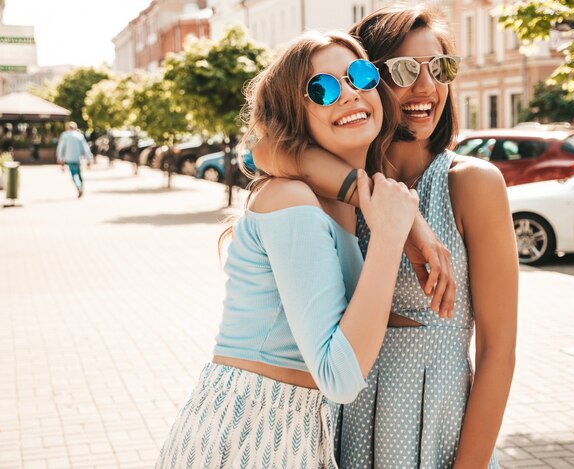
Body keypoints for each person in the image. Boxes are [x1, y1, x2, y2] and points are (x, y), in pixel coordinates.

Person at [254, 4, 518, 468]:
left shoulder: (472, 183)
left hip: (437, 429)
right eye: (402, 70)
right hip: (342, 423)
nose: (426, 86)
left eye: (441, 68)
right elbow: (265, 149)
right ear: (365, 81)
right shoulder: (337, 186)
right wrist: (401, 217)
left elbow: (499, 350)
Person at [155, 31, 420, 468]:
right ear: (294, 113)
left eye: (359, 76)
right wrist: (392, 239)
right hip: (250, 429)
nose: (349, 94)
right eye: (323, 89)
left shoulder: (344, 205)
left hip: (294, 427)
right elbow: (338, 376)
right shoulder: (291, 200)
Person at [56, 121, 93, 198]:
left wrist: (60, 158)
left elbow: (60, 148)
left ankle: (79, 187)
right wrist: (89, 158)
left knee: (74, 175)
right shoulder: (79, 136)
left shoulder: (64, 135)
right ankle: (81, 187)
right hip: (78, 158)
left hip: (69, 159)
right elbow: (85, 148)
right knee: (79, 174)